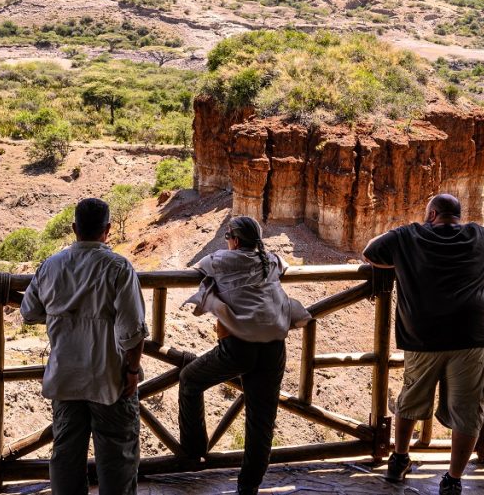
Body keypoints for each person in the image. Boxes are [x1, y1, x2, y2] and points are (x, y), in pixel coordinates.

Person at [363, 193, 484, 495]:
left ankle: (399, 459)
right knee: (469, 408)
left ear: (432, 214)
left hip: (422, 336)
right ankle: (453, 479)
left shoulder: (408, 235)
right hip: (471, 337)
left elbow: (371, 253)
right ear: (457, 215)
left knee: (411, 397)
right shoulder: (481, 236)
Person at [21, 197, 148, 495]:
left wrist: (60, 314)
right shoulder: (118, 267)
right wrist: (131, 371)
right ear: (108, 229)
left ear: (75, 228)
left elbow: (29, 311)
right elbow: (133, 331)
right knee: (117, 455)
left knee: (66, 452)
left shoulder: (50, 265)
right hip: (109, 376)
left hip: (65, 375)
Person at [179, 216, 310, 495]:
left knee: (189, 379)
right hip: (274, 347)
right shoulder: (271, 259)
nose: (227, 240)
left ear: (235, 240)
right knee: (261, 420)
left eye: (228, 235)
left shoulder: (220, 260)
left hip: (239, 348)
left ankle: (193, 451)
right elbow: (283, 266)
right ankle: (248, 486)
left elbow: (195, 268)